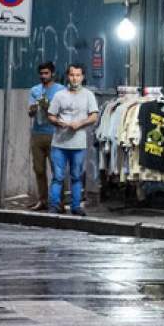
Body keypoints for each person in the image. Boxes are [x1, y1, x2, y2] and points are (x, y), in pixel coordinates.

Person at [46, 63, 98, 216]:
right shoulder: (59, 95)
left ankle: (76, 206)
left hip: (78, 143)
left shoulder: (88, 95)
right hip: (59, 143)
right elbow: (51, 115)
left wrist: (80, 123)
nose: (75, 78)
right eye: (72, 75)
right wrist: (57, 122)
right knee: (58, 177)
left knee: (76, 177)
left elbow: (94, 116)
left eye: (78, 75)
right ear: (68, 76)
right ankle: (54, 205)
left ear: (82, 77)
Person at [27, 62, 67, 212]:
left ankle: (59, 202)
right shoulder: (35, 90)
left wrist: (47, 106)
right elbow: (30, 113)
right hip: (37, 133)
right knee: (39, 169)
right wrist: (33, 109)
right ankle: (42, 200)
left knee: (57, 170)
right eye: (41, 73)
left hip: (54, 134)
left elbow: (63, 111)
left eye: (46, 73)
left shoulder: (60, 90)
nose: (44, 76)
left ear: (52, 74)